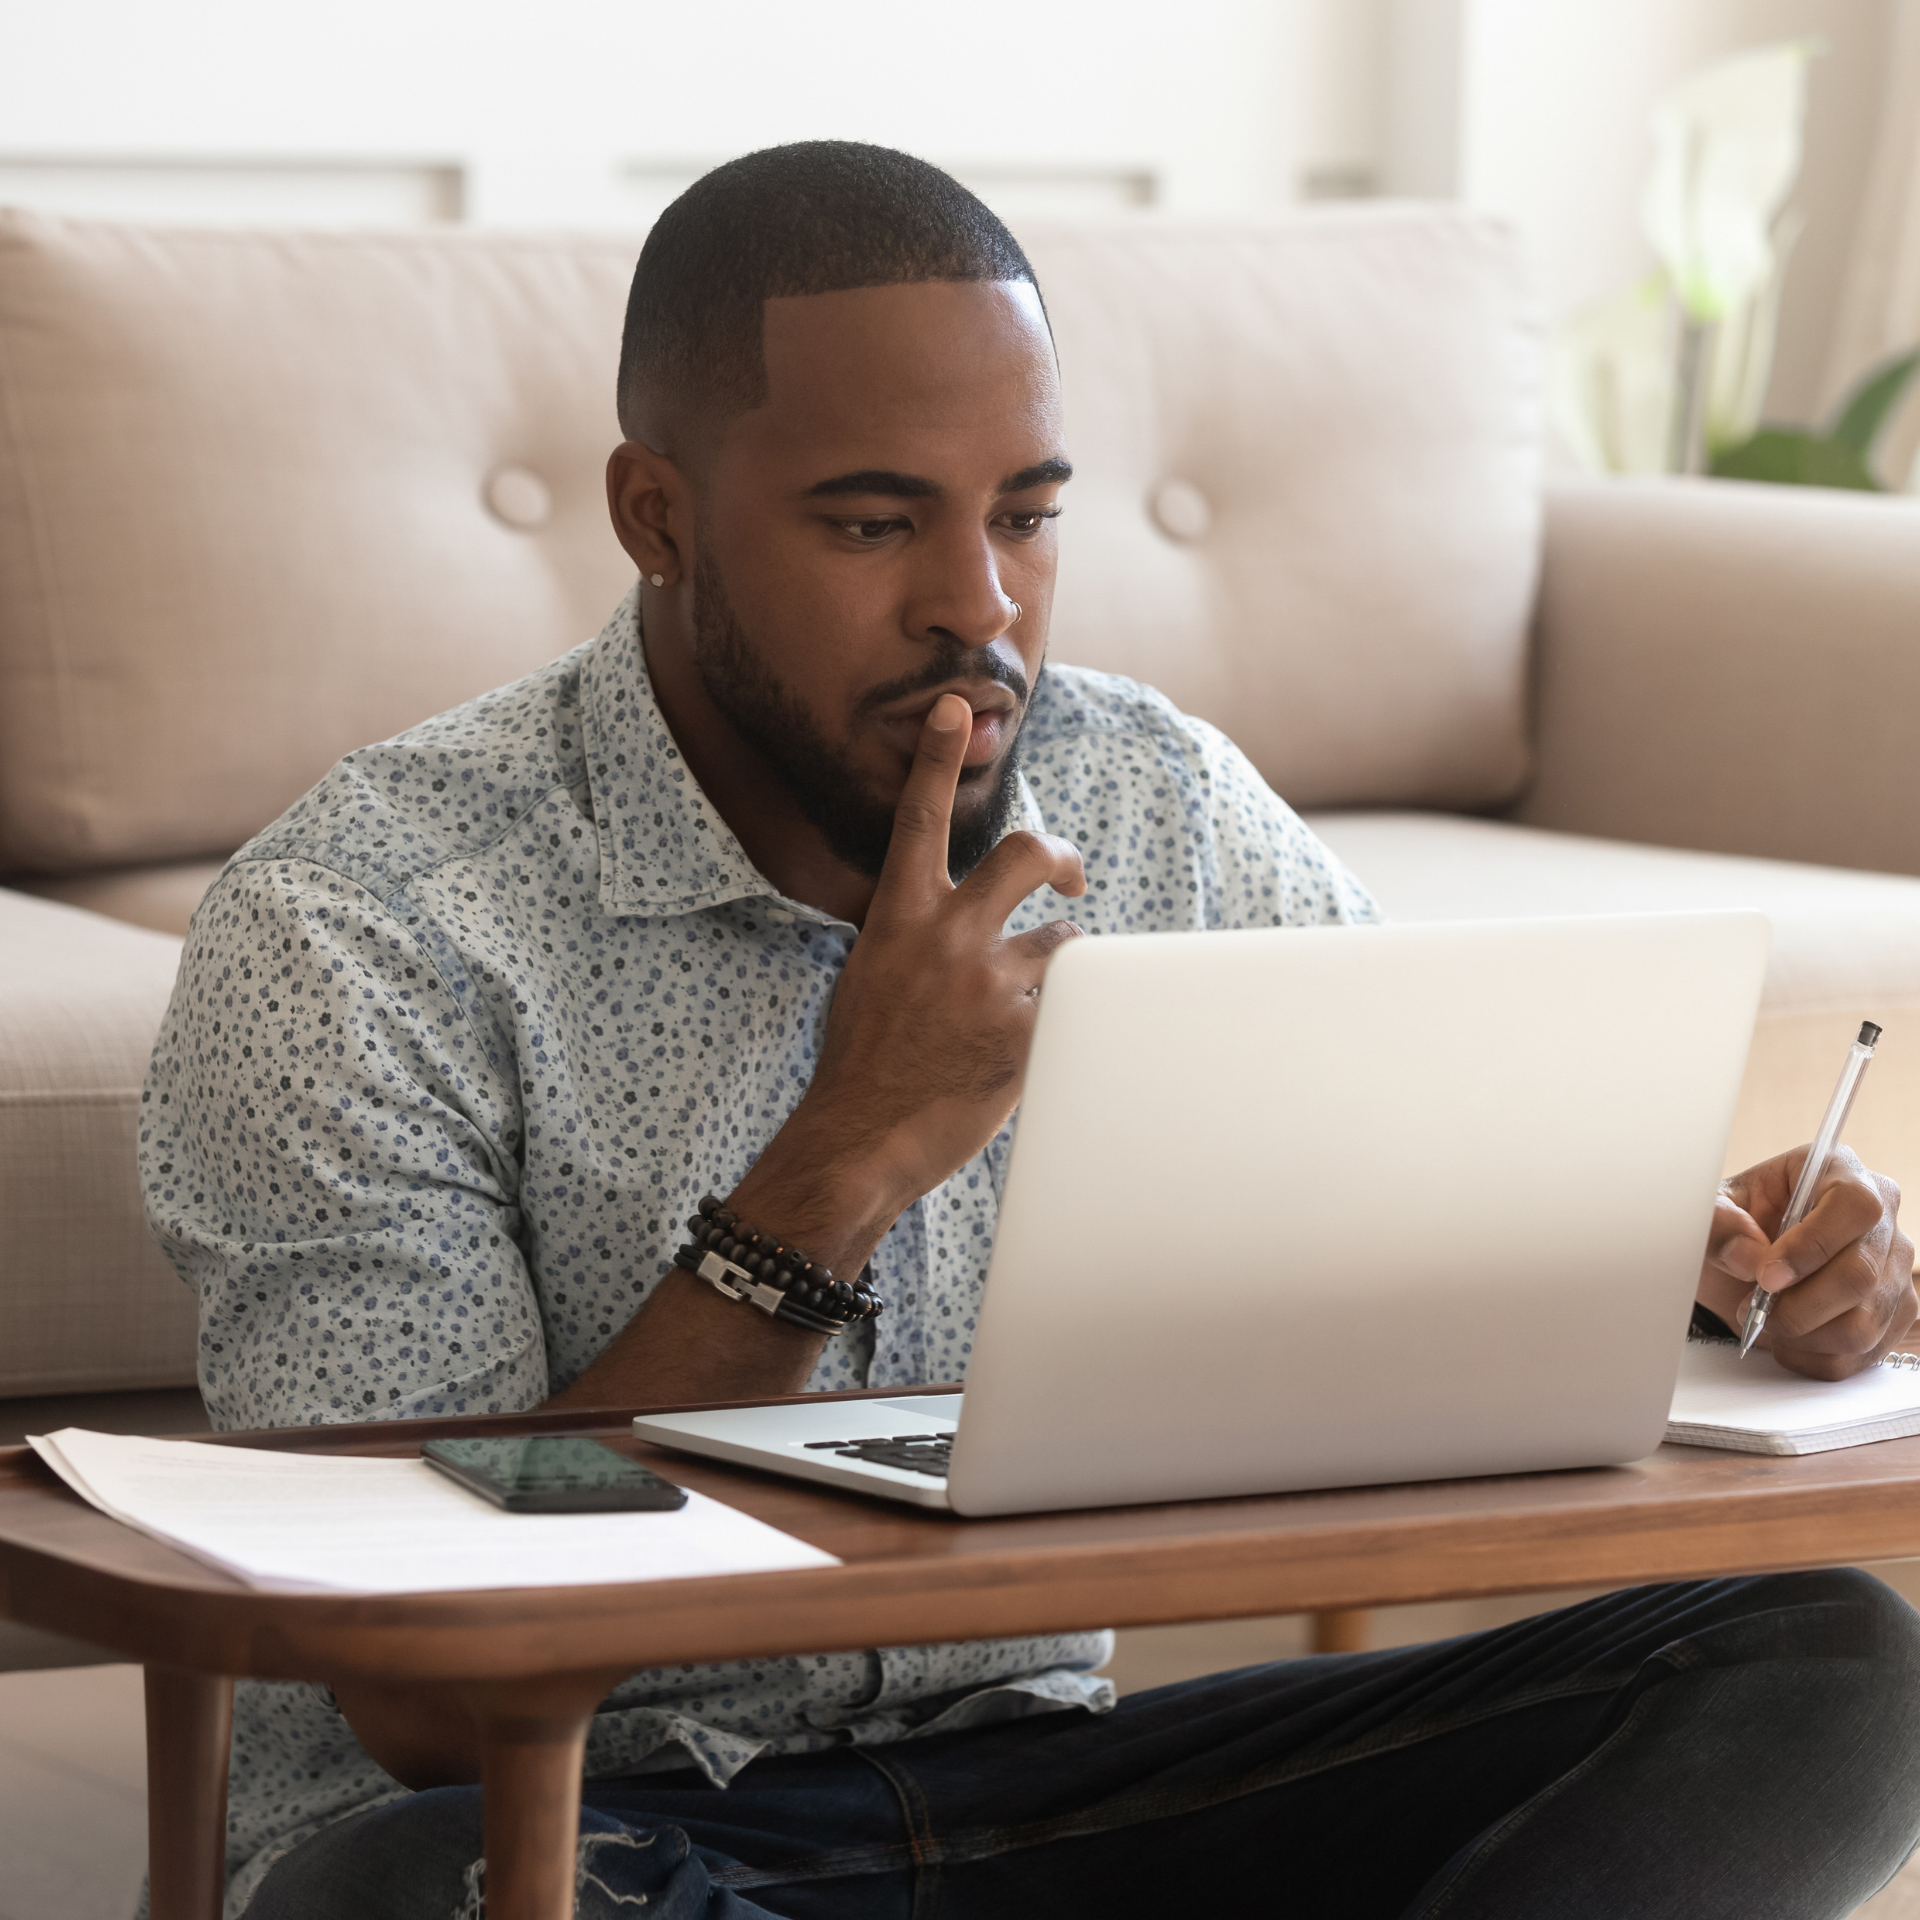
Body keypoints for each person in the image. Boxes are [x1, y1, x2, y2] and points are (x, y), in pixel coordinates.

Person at [140, 142, 1920, 1920]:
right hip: (593, 1820)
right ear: (656, 514)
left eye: (1028, 512)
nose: (977, 607)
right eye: (872, 520)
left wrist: (1711, 1274)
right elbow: (429, 1692)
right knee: (400, 1898)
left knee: (1831, 1665)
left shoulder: (1159, 813)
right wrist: (839, 1162)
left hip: (1065, 1779)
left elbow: (1431, 1233)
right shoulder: (363, 929)